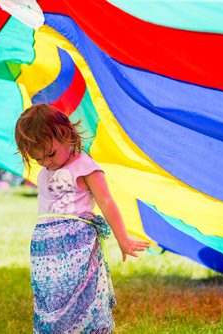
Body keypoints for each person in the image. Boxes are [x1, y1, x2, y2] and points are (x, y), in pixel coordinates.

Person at [14, 103, 150, 333]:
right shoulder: (49, 168)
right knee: (51, 294)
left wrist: (123, 238)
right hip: (46, 248)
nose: (46, 163)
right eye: (38, 160)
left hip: (78, 245)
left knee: (81, 293)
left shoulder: (85, 166)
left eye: (49, 154)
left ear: (66, 134)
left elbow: (106, 202)